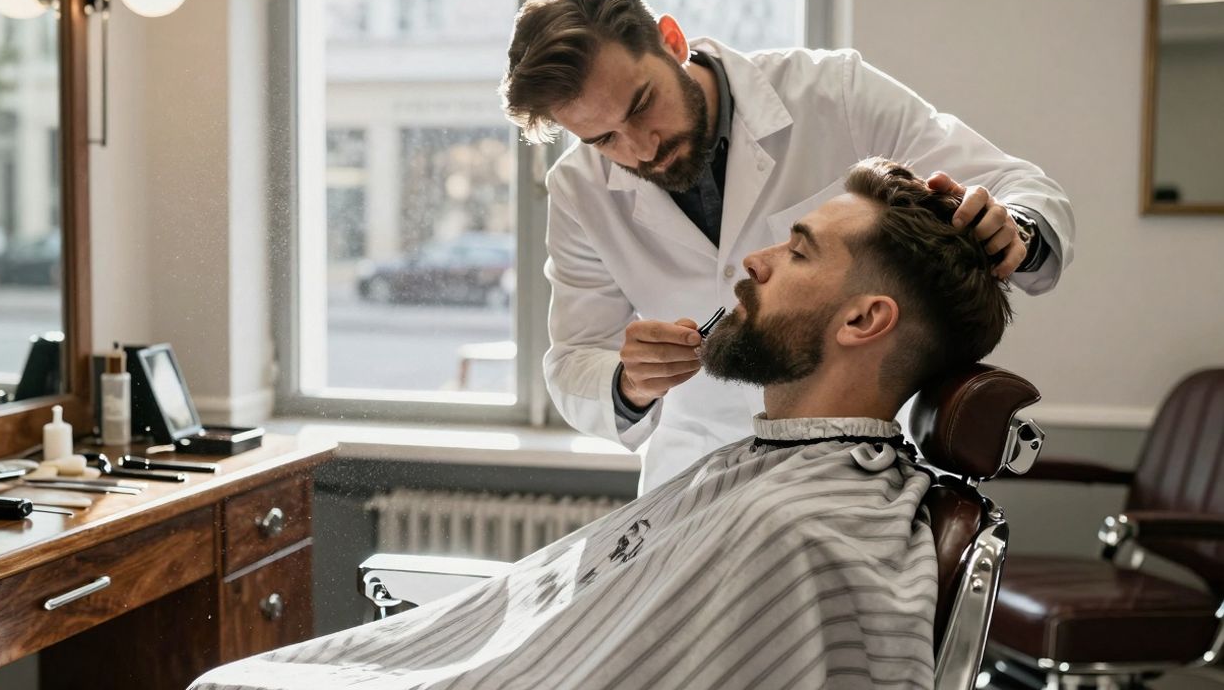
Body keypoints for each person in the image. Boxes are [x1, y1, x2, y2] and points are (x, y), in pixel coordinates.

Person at [189, 159, 1011, 690]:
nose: (750, 264)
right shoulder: (775, 483)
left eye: (796, 252)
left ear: (865, 319)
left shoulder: (797, 527)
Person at [500, 0, 1072, 492]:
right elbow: (574, 359)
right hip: (692, 478)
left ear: (671, 41)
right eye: (601, 139)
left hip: (846, 473)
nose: (641, 148)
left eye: (642, 104)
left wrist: (1012, 227)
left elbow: (1019, 184)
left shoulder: (833, 93)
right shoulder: (578, 190)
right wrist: (630, 382)